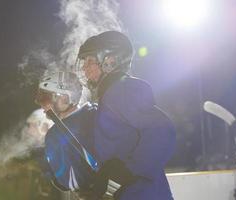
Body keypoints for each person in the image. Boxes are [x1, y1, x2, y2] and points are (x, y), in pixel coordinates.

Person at [75, 31, 176, 200]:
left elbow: (162, 130)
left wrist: (129, 170)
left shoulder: (121, 91)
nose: (84, 67)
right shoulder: (109, 96)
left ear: (110, 61)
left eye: (90, 61)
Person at [35, 71, 98, 198]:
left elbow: (69, 183)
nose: (43, 104)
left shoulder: (55, 135)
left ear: (65, 98)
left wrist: (49, 171)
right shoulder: (95, 111)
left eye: (46, 98)